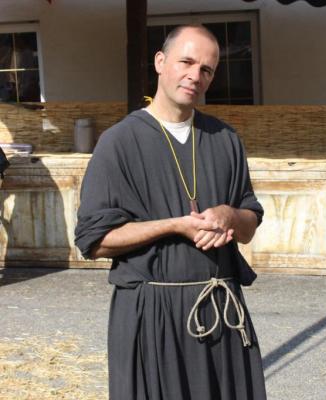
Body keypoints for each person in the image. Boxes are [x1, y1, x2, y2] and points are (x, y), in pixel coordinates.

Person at [75, 24, 267, 400]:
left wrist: (230, 215)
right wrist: (174, 226)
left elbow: (249, 223)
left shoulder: (225, 139)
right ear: (160, 62)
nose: (195, 75)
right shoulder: (119, 142)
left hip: (220, 310)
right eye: (186, 62)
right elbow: (94, 241)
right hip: (152, 316)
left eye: (207, 69)